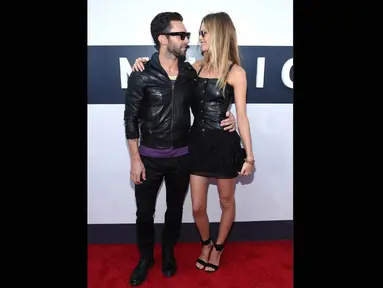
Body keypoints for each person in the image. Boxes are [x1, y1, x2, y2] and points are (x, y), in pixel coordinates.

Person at [132, 12, 255, 273]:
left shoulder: (236, 72)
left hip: (224, 145)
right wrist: (143, 62)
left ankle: (218, 248)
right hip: (195, 144)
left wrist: (249, 156)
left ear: (219, 34)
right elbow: (169, 81)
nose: (198, 39)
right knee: (197, 206)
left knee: (225, 202)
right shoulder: (194, 68)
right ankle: (205, 243)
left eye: (203, 33)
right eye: (196, 33)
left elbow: (242, 116)